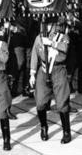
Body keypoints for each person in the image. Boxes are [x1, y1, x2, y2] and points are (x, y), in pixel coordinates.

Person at [29, 16, 72, 144]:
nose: (47, 27)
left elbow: (65, 48)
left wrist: (52, 43)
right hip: (43, 71)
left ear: (54, 25)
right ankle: (43, 127)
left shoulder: (63, 37)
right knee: (40, 102)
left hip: (58, 70)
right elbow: (34, 55)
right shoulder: (39, 38)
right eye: (44, 25)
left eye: (49, 25)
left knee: (61, 103)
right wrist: (32, 73)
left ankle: (66, 131)